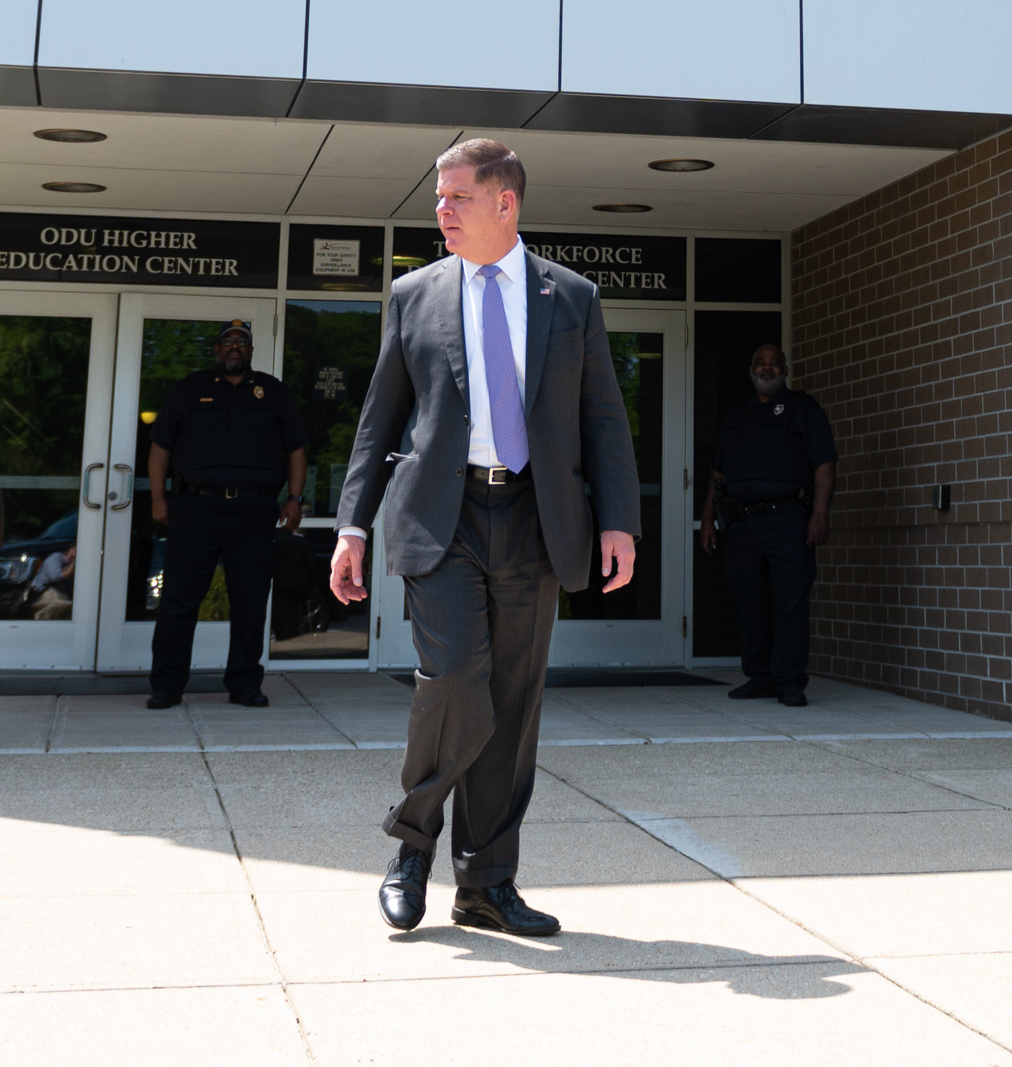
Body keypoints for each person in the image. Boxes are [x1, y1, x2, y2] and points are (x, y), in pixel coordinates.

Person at [330, 139, 640, 937]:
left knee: (512, 704)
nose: (440, 209)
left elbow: (603, 416)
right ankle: (411, 845)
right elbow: (378, 420)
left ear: (506, 204)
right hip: (444, 515)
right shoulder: (415, 294)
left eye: (456, 197)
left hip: (537, 517)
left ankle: (485, 884)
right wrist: (351, 524)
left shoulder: (569, 297)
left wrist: (618, 520)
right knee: (455, 681)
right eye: (438, 196)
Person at [144, 319, 308, 709]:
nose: (235, 347)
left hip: (253, 511)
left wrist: (295, 498)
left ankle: (245, 684)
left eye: (242, 342)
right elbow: (160, 449)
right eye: (228, 342)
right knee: (179, 599)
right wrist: (157, 498)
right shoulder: (189, 390)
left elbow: (296, 450)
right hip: (196, 508)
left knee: (250, 600)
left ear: (251, 352)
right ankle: (167, 685)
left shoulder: (273, 392)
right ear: (216, 350)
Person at [703, 343, 834, 706]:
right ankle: (759, 676)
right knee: (749, 601)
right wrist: (708, 519)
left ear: (786, 370)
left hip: (788, 520)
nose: (767, 369)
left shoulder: (803, 409)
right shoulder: (736, 412)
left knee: (791, 601)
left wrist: (819, 514)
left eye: (775, 364)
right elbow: (719, 473)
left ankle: (790, 680)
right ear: (750, 369)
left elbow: (824, 463)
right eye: (760, 363)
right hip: (743, 524)